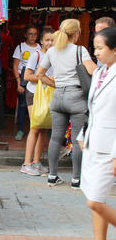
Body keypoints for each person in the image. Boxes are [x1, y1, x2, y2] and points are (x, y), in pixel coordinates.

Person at [36, 19, 97, 189]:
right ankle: (76, 180)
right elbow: (93, 71)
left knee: (55, 138)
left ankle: (52, 176)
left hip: (58, 97)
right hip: (77, 97)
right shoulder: (80, 50)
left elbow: (39, 74)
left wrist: (56, 84)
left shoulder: (52, 51)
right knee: (77, 139)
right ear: (76, 33)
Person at [78, 27, 116, 240]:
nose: (97, 53)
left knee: (95, 201)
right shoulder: (100, 72)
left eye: (101, 48)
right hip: (93, 142)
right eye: (95, 48)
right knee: (95, 200)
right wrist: (83, 136)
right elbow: (92, 107)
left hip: (109, 147)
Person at [20, 26, 54, 176]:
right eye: (47, 40)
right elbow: (27, 76)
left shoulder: (56, 56)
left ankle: (37, 161)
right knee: (35, 127)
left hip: (48, 94)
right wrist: (45, 79)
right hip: (34, 93)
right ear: (41, 41)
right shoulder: (36, 55)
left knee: (44, 128)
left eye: (53, 40)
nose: (50, 43)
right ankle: (26, 163)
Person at [12, 24, 41, 140]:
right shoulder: (20, 47)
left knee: (36, 106)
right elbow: (15, 65)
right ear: (25, 35)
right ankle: (20, 130)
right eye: (30, 34)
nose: (33, 36)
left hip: (36, 79)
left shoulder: (40, 48)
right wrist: (19, 82)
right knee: (23, 105)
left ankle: (34, 131)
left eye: (35, 34)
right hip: (23, 79)